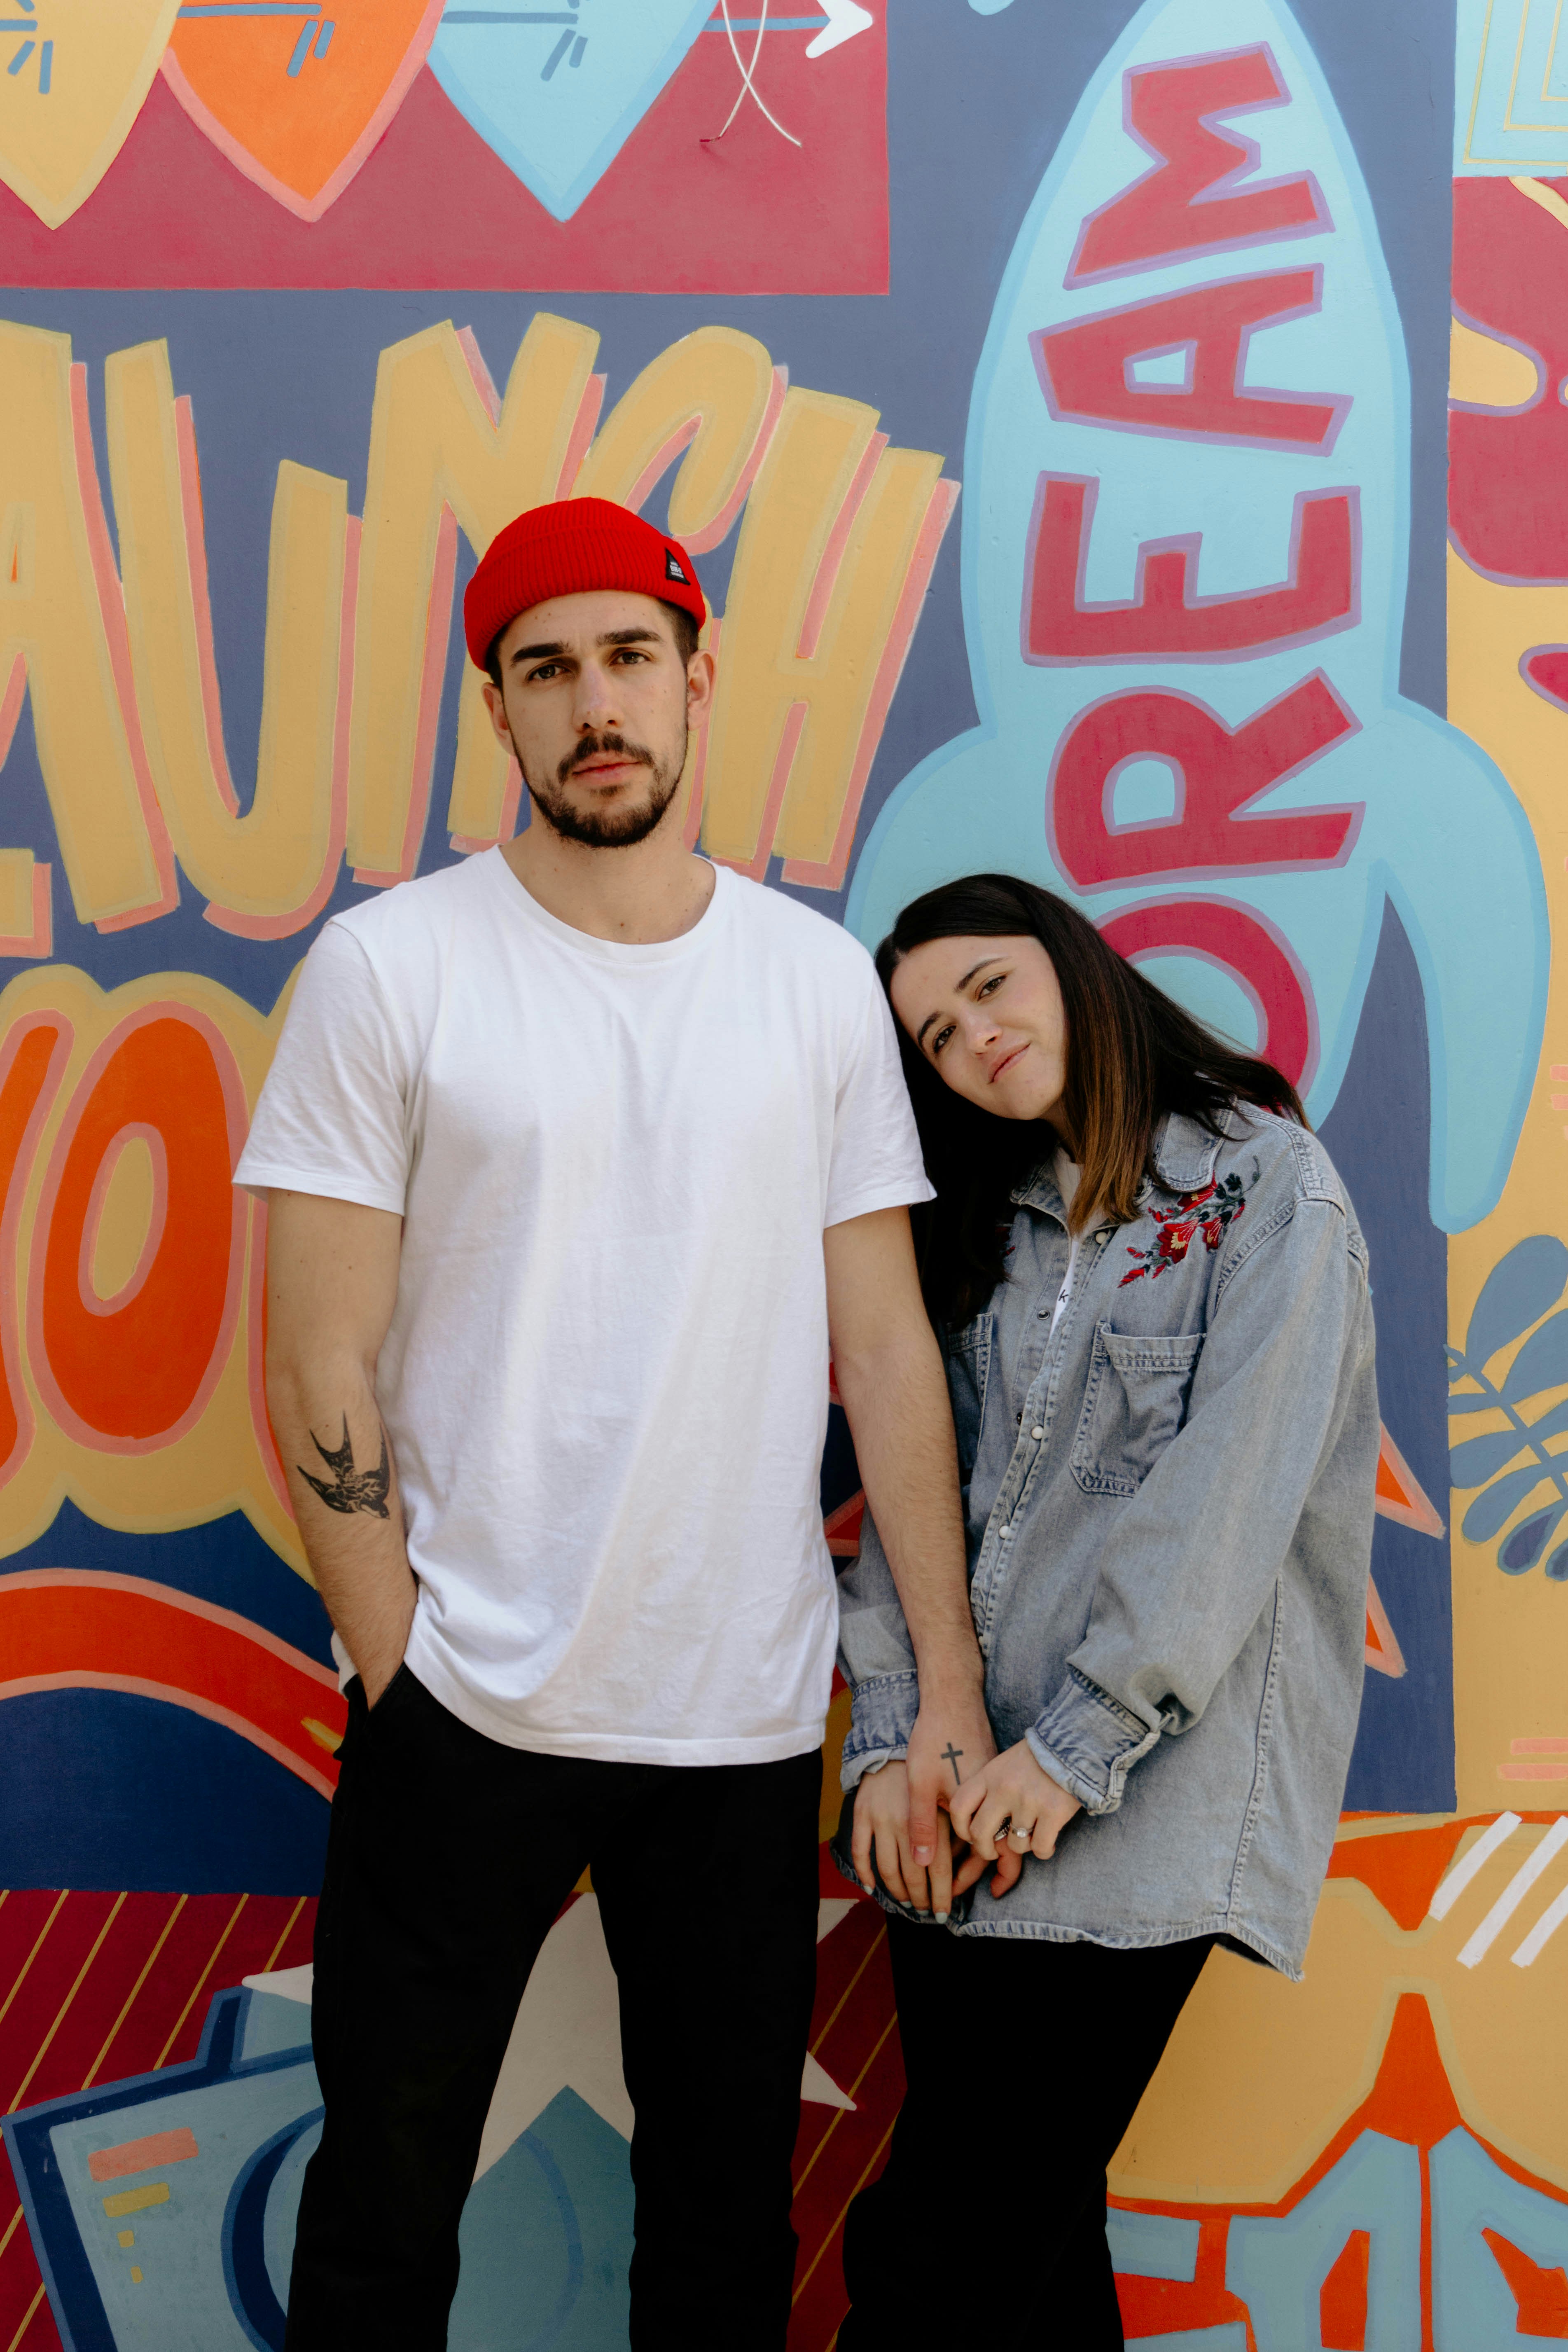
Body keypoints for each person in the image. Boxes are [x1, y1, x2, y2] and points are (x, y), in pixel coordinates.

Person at [235, 498, 993, 2352]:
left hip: (733, 1704)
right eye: (547, 668)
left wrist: (948, 1690)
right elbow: (317, 1352)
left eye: (629, 660)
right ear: (494, 709)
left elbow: (885, 1351)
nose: (596, 705)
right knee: (384, 2200)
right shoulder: (389, 967)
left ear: (697, 675)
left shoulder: (814, 981)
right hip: (461, 1692)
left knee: (724, 2218)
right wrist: (392, 1652)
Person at [832, 872, 1378, 2351]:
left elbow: (1226, 1506)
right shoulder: (986, 1231)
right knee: (1037, 2270)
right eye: (937, 1037)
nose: (975, 1042)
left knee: (934, 2261)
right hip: (963, 1793)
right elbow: (913, 1495)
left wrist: (1071, 1751)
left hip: (1129, 1791)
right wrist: (894, 1741)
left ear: (1074, 962)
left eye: (992, 988)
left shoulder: (1269, 1193)